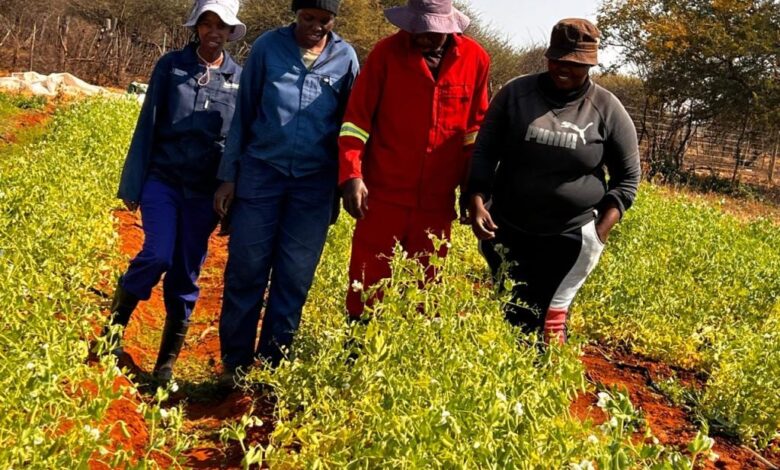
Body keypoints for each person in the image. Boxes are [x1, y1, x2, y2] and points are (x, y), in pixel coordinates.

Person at [467, 18, 641, 344]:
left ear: (590, 64)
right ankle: (508, 385)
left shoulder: (606, 108)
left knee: (550, 320)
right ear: (548, 56)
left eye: (576, 64)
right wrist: (476, 199)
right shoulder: (516, 94)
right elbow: (485, 151)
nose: (565, 68)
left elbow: (628, 179)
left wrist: (599, 231)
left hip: (569, 237)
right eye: (558, 59)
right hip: (507, 227)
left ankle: (546, 383)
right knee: (511, 311)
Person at [215, 0, 359, 376]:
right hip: (262, 172)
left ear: (334, 20)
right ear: (296, 14)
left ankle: (271, 367)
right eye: (307, 18)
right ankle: (235, 364)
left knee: (294, 275)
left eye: (323, 20)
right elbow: (244, 115)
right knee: (246, 268)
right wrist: (230, 176)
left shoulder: (346, 59)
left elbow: (351, 125)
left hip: (314, 183)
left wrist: (349, 180)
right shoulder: (268, 47)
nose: (314, 26)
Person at [109, 0, 245, 383]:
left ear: (232, 32)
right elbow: (147, 124)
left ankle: (165, 364)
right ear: (196, 27)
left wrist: (231, 189)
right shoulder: (171, 67)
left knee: (186, 271)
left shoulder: (240, 78)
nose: (213, 32)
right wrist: (132, 183)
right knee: (156, 254)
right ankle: (113, 332)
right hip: (163, 180)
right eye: (207, 23)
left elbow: (238, 139)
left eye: (221, 26)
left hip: (205, 192)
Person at [339, 0, 490, 321]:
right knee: (367, 281)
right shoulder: (385, 54)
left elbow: (474, 132)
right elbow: (357, 120)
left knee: (426, 287)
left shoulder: (476, 59)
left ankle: (409, 356)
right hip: (383, 193)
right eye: (416, 27)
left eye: (431, 30)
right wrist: (352, 174)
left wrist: (471, 189)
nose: (421, 35)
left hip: (437, 200)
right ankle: (356, 355)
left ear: (449, 26)